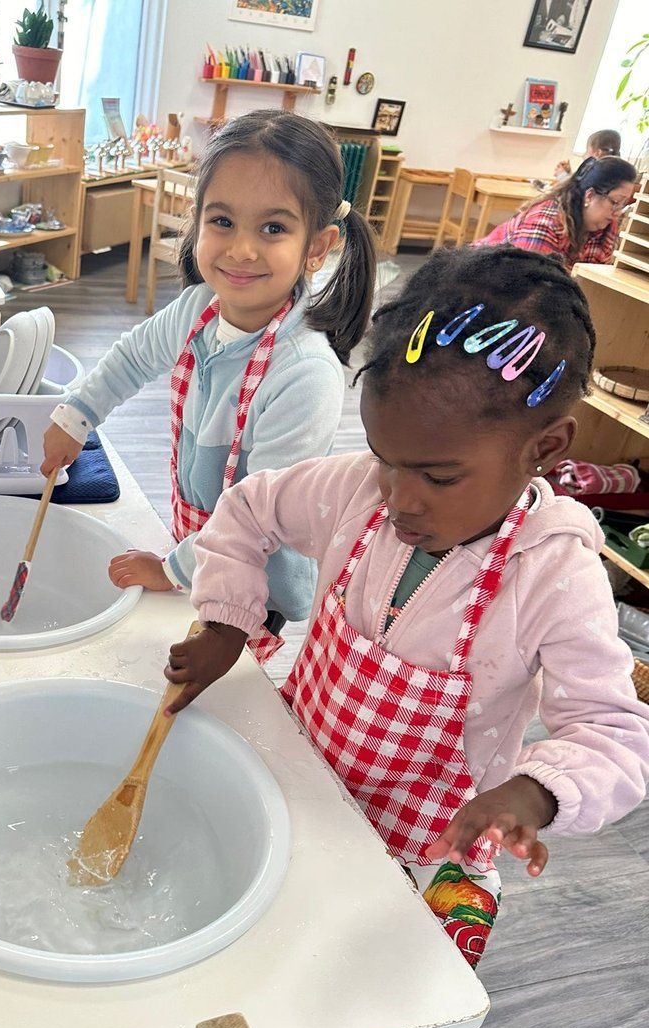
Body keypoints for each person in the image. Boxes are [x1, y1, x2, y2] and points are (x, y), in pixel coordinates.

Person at [163, 245, 649, 975]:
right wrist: (228, 618)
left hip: (426, 845)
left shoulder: (554, 573)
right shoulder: (355, 489)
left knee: (358, 979)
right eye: (385, 456)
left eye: (438, 475)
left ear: (544, 449)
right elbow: (246, 509)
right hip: (299, 778)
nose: (399, 497)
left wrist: (538, 789)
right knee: (259, 940)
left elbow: (615, 733)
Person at [41, 109, 377, 663]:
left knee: (225, 691)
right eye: (222, 221)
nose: (242, 249)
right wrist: (74, 418)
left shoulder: (305, 375)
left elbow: (259, 521)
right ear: (196, 221)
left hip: (254, 578)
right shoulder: (198, 308)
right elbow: (132, 357)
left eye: (273, 229)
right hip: (199, 539)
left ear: (317, 247)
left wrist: (170, 569)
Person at [476, 155, 637, 271]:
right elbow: (526, 283)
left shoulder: (606, 227)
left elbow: (595, 280)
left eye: (623, 204)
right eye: (615, 202)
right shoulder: (545, 221)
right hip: (481, 282)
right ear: (589, 196)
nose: (617, 212)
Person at [555, 127, 621, 179]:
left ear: (598, 153)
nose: (583, 156)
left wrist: (562, 175)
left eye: (586, 151)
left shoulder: (597, 173)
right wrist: (569, 175)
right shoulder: (615, 171)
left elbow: (575, 192)